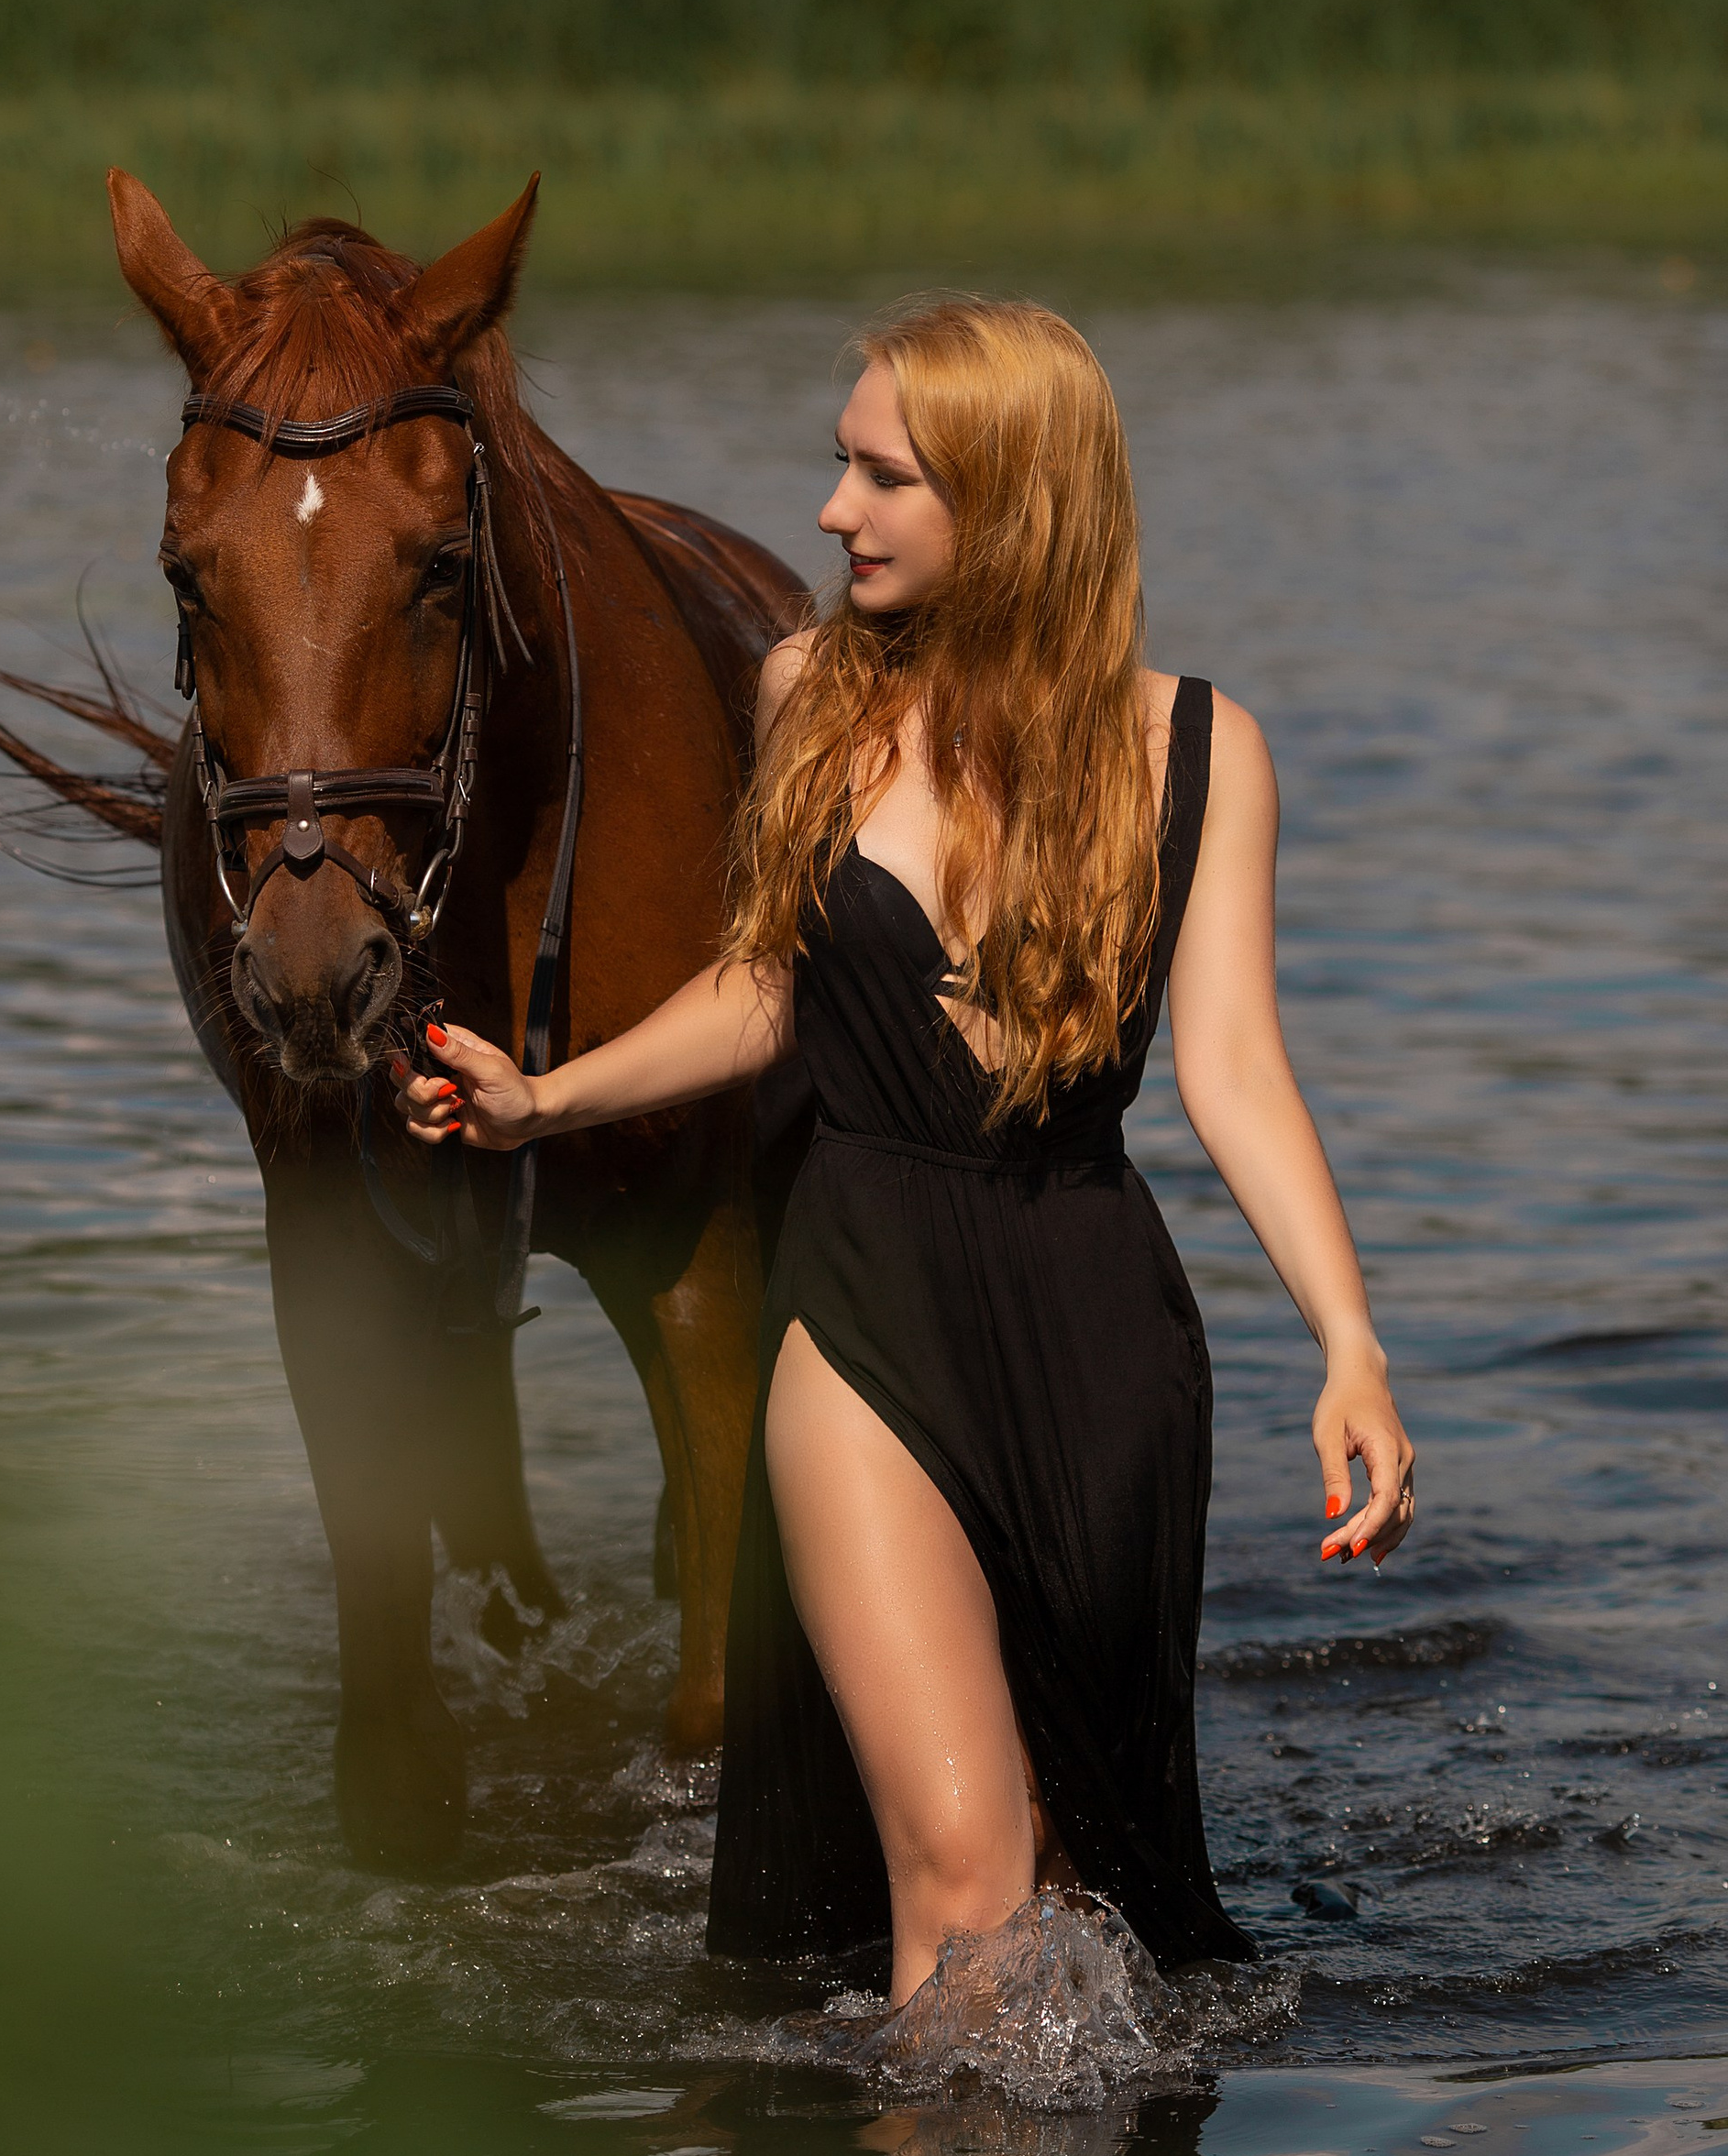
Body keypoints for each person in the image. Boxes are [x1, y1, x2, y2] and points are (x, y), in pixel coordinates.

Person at [403, 296, 1414, 2011]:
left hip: (1101, 1336)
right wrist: (541, 1103)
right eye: (841, 462)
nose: (831, 510)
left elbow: (1236, 1065)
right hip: (861, 1303)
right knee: (968, 1875)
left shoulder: (1199, 749)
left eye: (882, 473)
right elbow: (762, 987)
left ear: (1009, 501)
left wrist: (1350, 1341)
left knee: (1097, 1898)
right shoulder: (810, 691)